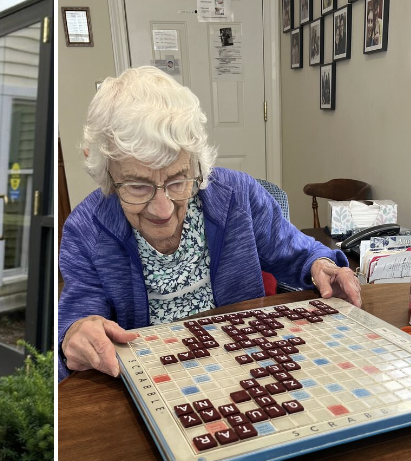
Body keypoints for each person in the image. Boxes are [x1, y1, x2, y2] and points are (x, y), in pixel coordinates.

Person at [58, 67, 361, 380]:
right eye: (137, 186)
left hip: (248, 366)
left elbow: (294, 248)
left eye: (178, 181)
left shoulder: (238, 195)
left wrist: (320, 264)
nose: (162, 210)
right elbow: (78, 318)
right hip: (152, 382)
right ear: (107, 175)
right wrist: (76, 334)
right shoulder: (85, 230)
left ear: (196, 164)